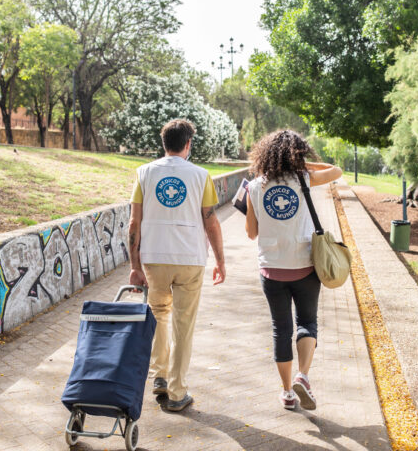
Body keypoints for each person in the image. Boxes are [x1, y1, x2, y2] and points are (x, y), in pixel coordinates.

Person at [128, 118, 226, 412]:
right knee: (183, 325)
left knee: (158, 315)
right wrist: (221, 261)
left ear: (164, 144)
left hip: (154, 258)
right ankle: (177, 391)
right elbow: (211, 221)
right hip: (190, 259)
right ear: (188, 144)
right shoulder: (201, 176)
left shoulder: (144, 173)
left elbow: (135, 222)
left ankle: (158, 375)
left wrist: (135, 266)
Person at [244, 130, 342, 410]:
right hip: (305, 267)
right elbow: (338, 170)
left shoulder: (253, 186)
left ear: (265, 154)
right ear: (297, 154)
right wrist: (303, 165)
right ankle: (303, 376)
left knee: (280, 329)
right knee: (307, 323)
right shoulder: (305, 178)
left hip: (272, 270)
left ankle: (287, 392)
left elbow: (251, 233)